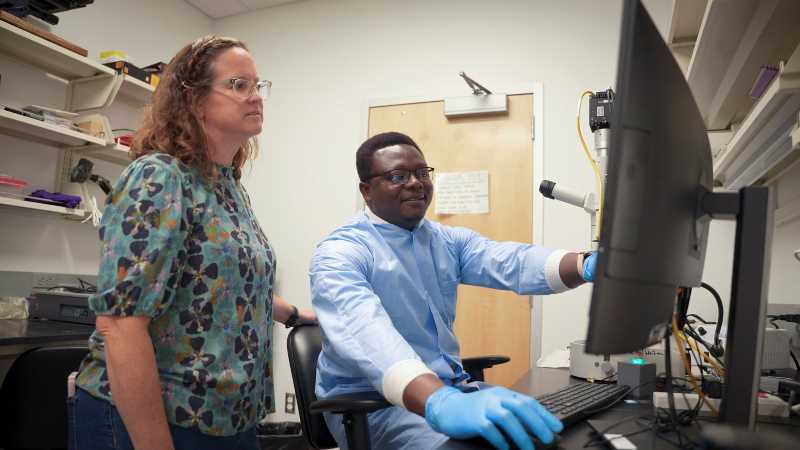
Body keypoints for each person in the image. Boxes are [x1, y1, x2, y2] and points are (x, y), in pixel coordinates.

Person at [72, 36, 315, 450]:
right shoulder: (160, 178)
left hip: (228, 418)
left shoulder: (227, 186)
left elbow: (220, 282)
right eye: (239, 85)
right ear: (195, 101)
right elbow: (120, 323)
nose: (255, 97)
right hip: (157, 418)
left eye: (258, 86)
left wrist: (292, 313)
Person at [309, 132, 598, 450]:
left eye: (422, 173)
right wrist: (438, 400)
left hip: (452, 392)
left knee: (554, 438)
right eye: (398, 176)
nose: (416, 183)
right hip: (373, 407)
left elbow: (509, 261)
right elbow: (367, 334)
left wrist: (585, 264)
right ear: (366, 191)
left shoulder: (445, 240)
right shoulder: (340, 252)